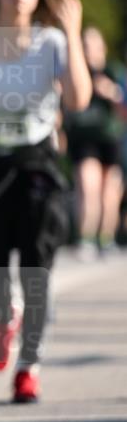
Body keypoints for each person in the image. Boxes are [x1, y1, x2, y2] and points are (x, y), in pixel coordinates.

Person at [0, 0, 92, 403]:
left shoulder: (52, 41)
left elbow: (77, 99)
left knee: (37, 270)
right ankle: (5, 314)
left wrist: (73, 34)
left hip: (35, 165)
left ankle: (29, 366)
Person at [66, 26, 125, 258]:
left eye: (93, 46)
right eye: (85, 46)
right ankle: (85, 239)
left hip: (109, 139)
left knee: (109, 194)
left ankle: (106, 239)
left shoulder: (113, 71)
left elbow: (124, 108)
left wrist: (113, 93)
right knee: (86, 185)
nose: (89, 51)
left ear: (102, 48)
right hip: (84, 139)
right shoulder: (77, 70)